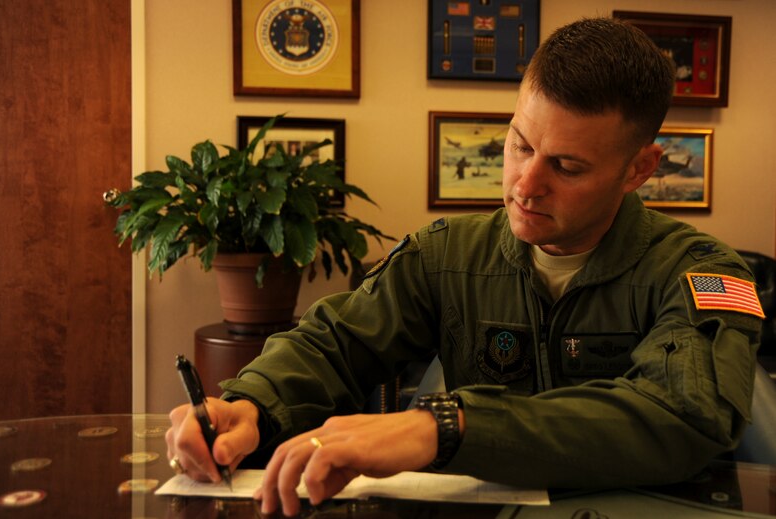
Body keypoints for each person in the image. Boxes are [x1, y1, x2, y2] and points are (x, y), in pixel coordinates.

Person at [166, 17, 764, 517]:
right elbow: (335, 343)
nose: (526, 185)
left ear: (639, 169)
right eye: (520, 144)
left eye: (568, 167)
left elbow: (685, 417)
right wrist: (251, 404)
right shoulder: (444, 255)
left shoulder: (704, 270)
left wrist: (447, 427)